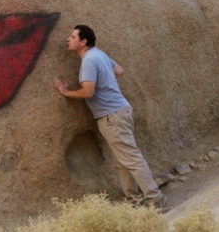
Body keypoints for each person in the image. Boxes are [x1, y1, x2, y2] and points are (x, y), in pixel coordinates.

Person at [53, 25, 169, 211]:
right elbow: (119, 71)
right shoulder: (99, 54)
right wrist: (106, 80)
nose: (68, 38)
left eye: (72, 36)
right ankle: (134, 202)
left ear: (83, 42)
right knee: (122, 162)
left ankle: (156, 200)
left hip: (111, 116)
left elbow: (88, 92)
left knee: (131, 159)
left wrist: (66, 91)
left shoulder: (89, 60)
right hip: (120, 110)